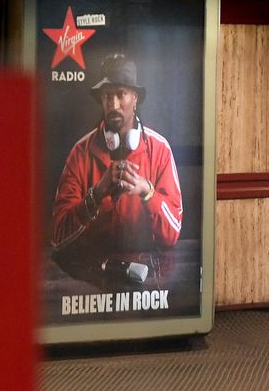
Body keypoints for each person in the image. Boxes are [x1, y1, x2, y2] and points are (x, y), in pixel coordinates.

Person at [50, 52, 184, 286]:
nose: (112, 104)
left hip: (147, 278)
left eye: (121, 94)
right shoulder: (80, 152)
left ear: (135, 97)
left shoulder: (160, 149)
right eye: (106, 96)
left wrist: (147, 192)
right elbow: (58, 236)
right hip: (89, 279)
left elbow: (173, 233)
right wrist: (97, 193)